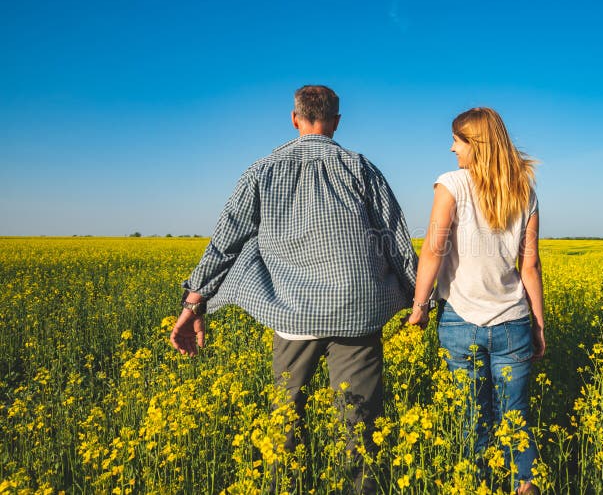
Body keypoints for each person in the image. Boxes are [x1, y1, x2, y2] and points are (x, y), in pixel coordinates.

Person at [169, 85, 418, 493]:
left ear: (294, 118)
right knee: (358, 426)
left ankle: (284, 487)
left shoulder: (262, 170)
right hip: (357, 310)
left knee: (285, 417)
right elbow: (394, 239)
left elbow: (225, 241)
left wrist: (194, 304)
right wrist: (418, 300)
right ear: (336, 121)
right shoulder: (360, 167)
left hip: (292, 312)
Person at [407, 107, 545, 495]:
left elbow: (434, 249)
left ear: (476, 144)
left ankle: (478, 486)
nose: (452, 149)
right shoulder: (525, 190)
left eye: (457, 140)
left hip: (460, 321)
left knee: (472, 419)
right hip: (513, 321)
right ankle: (525, 484)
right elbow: (530, 264)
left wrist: (419, 307)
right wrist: (538, 324)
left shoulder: (451, 184)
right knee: (515, 417)